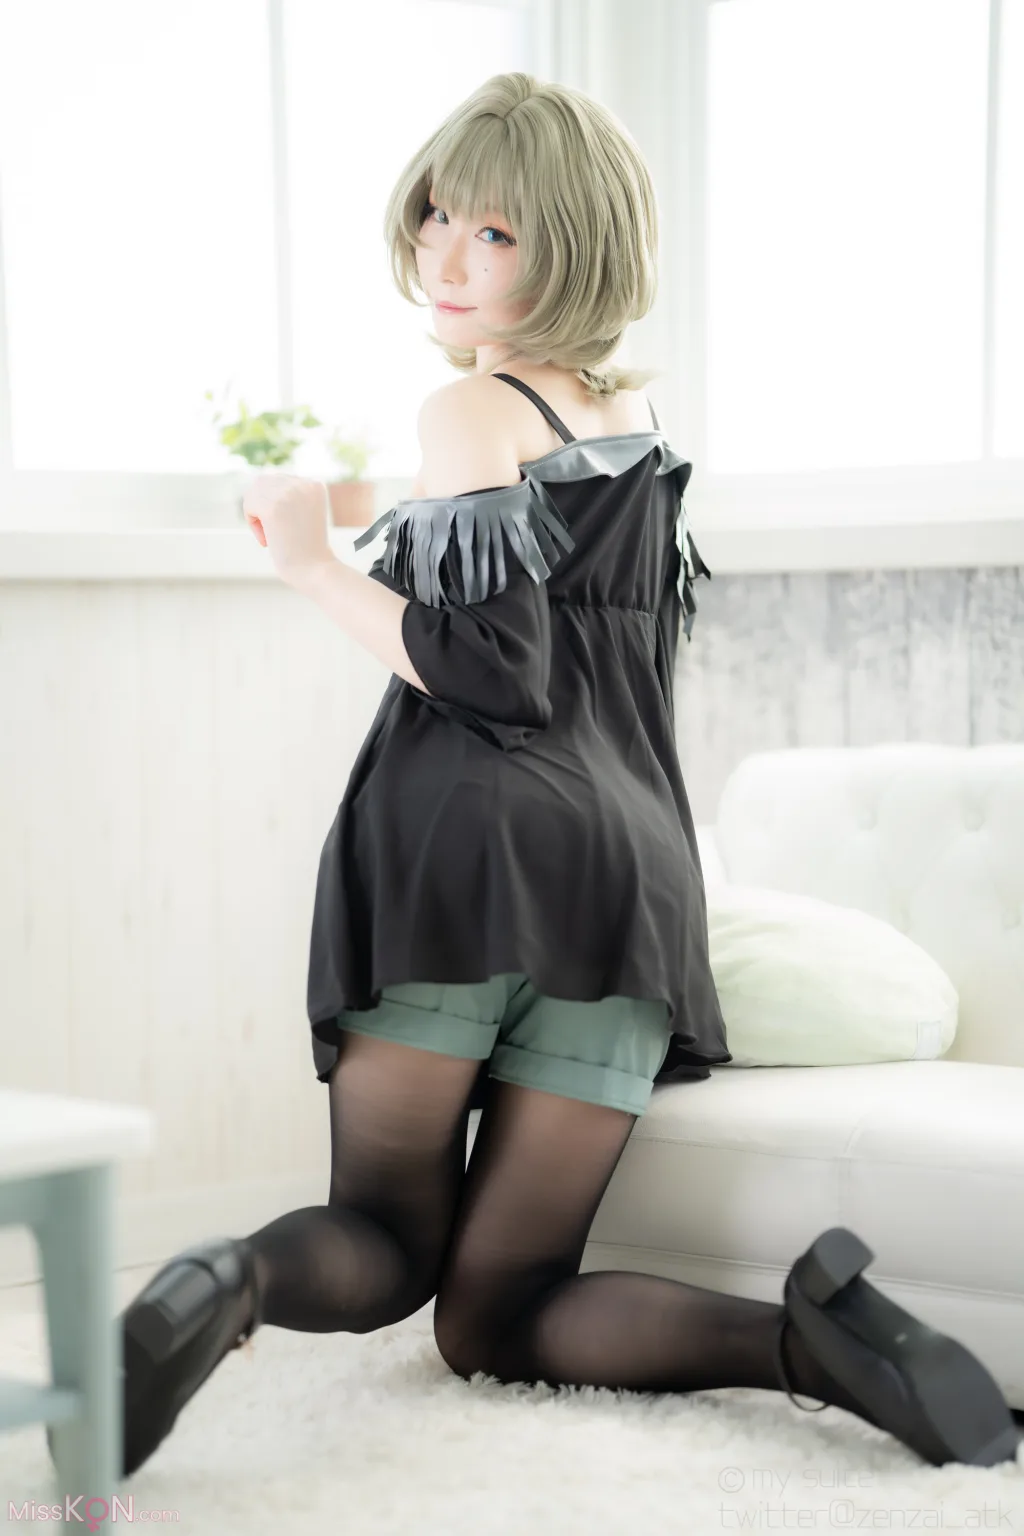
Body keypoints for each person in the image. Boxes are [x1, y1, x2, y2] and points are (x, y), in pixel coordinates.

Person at [109, 71, 1020, 1479]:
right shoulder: (640, 430)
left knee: (383, 1236)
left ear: (577, 244)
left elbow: (494, 671)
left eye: (495, 233)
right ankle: (813, 1347)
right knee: (502, 1310)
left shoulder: (472, 409)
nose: (444, 256)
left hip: (470, 852)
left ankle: (218, 1286)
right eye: (435, 219)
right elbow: (594, 643)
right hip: (628, 878)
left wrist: (311, 563)